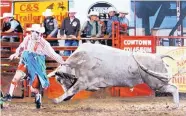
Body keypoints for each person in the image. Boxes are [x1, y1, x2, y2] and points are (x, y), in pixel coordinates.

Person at [2, 24, 64, 108]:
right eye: (33, 31)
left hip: (36, 65)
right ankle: (9, 96)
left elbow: (53, 54)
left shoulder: (44, 44)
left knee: (33, 88)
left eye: (36, 32)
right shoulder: (27, 38)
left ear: (40, 33)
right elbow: (21, 47)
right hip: (25, 61)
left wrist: (62, 62)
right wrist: (16, 53)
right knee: (16, 78)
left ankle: (38, 98)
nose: (34, 33)